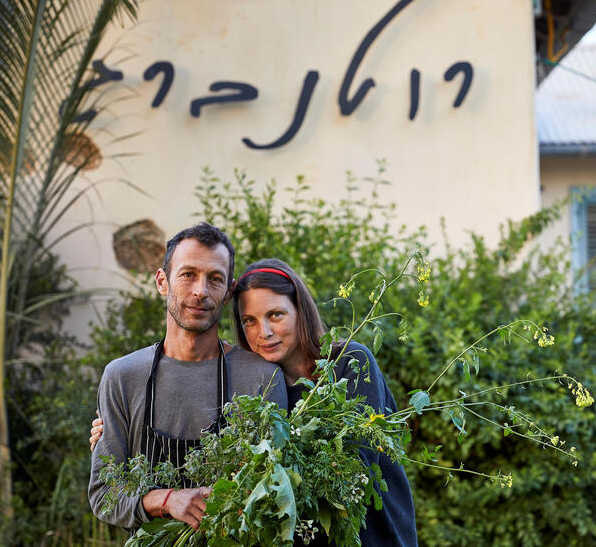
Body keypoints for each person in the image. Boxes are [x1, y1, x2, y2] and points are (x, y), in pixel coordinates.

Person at [92, 257, 419, 547]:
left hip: (373, 531)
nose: (263, 332)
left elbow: (353, 459)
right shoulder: (258, 386)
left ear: (300, 311)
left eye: (275, 315)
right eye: (249, 320)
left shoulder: (347, 362)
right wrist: (116, 435)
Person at [88, 223, 289, 530]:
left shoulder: (263, 378)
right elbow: (104, 495)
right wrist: (166, 500)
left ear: (228, 292)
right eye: (188, 274)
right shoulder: (122, 377)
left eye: (215, 279)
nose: (200, 291)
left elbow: (274, 494)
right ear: (162, 282)